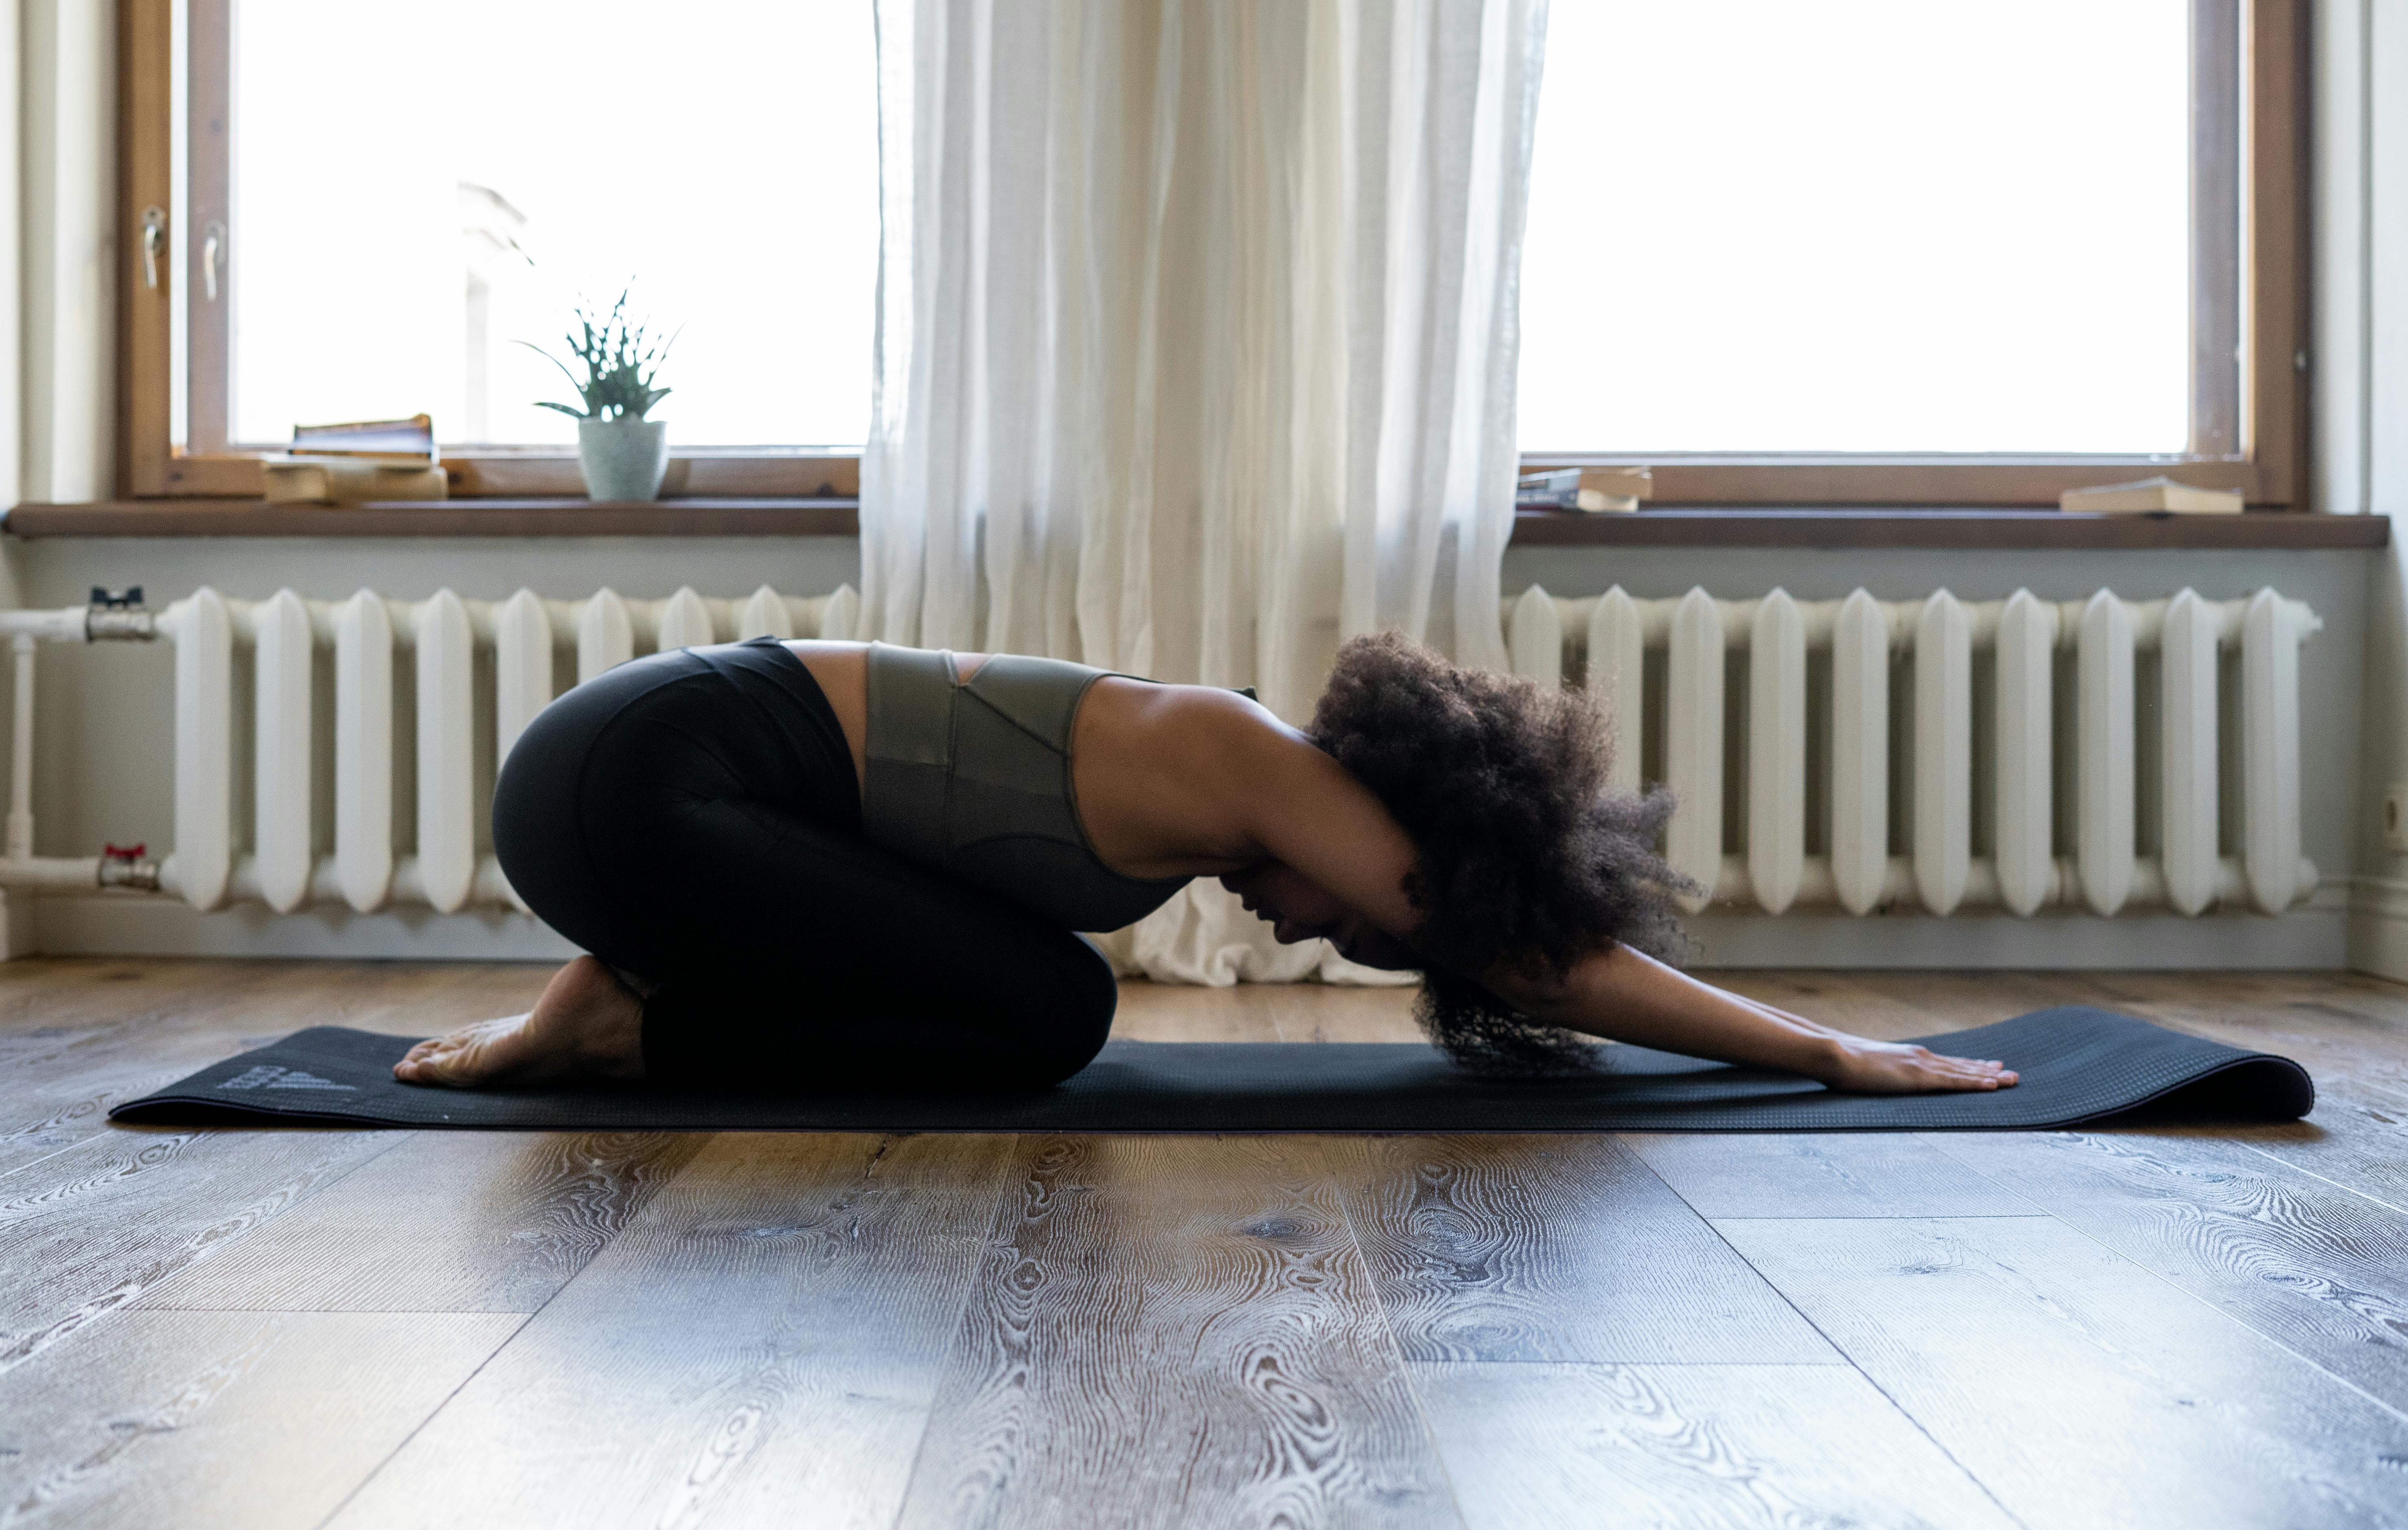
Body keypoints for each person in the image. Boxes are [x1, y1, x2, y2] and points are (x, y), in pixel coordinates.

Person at [394, 633, 2017, 1097]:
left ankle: (623, 998)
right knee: (1045, 1016)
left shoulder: (1195, 791)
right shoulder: (1251, 758)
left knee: (1036, 997)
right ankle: (616, 1019)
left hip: (651, 798)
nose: (1307, 930)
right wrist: (1817, 1045)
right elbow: (1537, 954)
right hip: (634, 777)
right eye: (1357, 921)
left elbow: (858, 908)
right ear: (1402, 828)